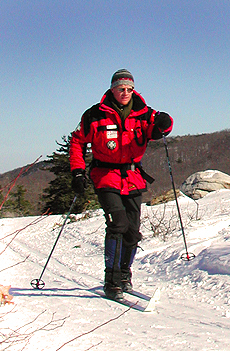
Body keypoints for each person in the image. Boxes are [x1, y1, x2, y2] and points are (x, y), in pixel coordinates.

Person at [69, 69, 173, 300]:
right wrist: (77, 172)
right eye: (120, 88)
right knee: (118, 224)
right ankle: (112, 281)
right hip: (105, 176)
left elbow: (159, 129)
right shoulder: (94, 115)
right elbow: (77, 141)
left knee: (133, 231)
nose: (125, 93)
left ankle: (125, 275)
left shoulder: (145, 113)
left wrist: (165, 124)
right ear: (112, 89)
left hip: (133, 177)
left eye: (129, 89)